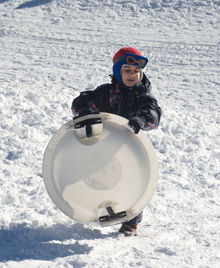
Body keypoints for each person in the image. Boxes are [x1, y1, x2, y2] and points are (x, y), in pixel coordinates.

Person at [71, 47, 162, 236]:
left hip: (129, 149)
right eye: (127, 70)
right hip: (103, 148)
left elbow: (153, 114)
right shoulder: (105, 92)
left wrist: (142, 119)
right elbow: (82, 101)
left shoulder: (143, 96)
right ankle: (97, 208)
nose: (132, 75)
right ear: (117, 72)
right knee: (99, 180)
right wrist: (85, 113)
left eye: (136, 71)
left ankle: (130, 224)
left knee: (133, 184)